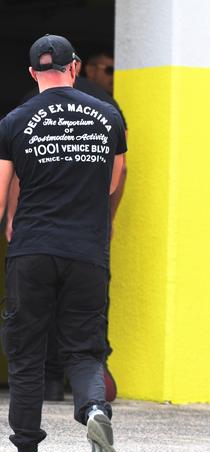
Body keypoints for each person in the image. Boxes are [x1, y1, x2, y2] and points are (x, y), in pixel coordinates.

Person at [0, 34, 125, 452]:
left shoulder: (14, 122)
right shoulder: (107, 116)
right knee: (85, 348)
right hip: (86, 252)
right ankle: (93, 409)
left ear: (33, 73)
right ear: (75, 68)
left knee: (28, 356)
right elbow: (115, 179)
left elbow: (0, 198)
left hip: (32, 250)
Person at [17, 51, 127, 403]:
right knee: (88, 316)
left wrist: (11, 221)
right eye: (108, 69)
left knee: (37, 311)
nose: (110, 75)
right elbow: (119, 172)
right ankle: (93, 399)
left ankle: (43, 396)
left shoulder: (26, 107)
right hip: (85, 235)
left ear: (34, 72)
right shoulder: (107, 107)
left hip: (36, 234)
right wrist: (105, 217)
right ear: (80, 67)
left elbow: (18, 171)